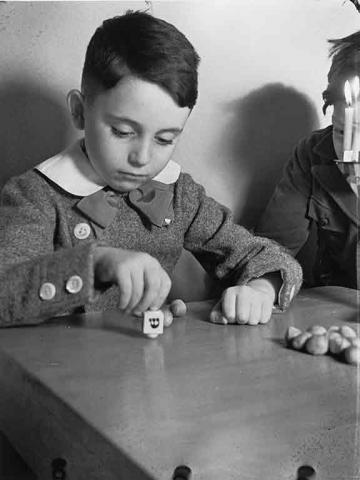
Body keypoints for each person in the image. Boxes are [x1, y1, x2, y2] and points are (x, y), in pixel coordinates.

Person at [0, 11, 302, 327]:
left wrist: (260, 289)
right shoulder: (34, 194)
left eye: (164, 138)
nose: (142, 157)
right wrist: (95, 263)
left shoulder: (179, 195)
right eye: (122, 132)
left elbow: (269, 257)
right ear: (79, 111)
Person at [256, 30, 360, 290]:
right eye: (342, 132)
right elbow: (273, 249)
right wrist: (261, 288)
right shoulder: (312, 153)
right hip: (334, 310)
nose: (353, 152)